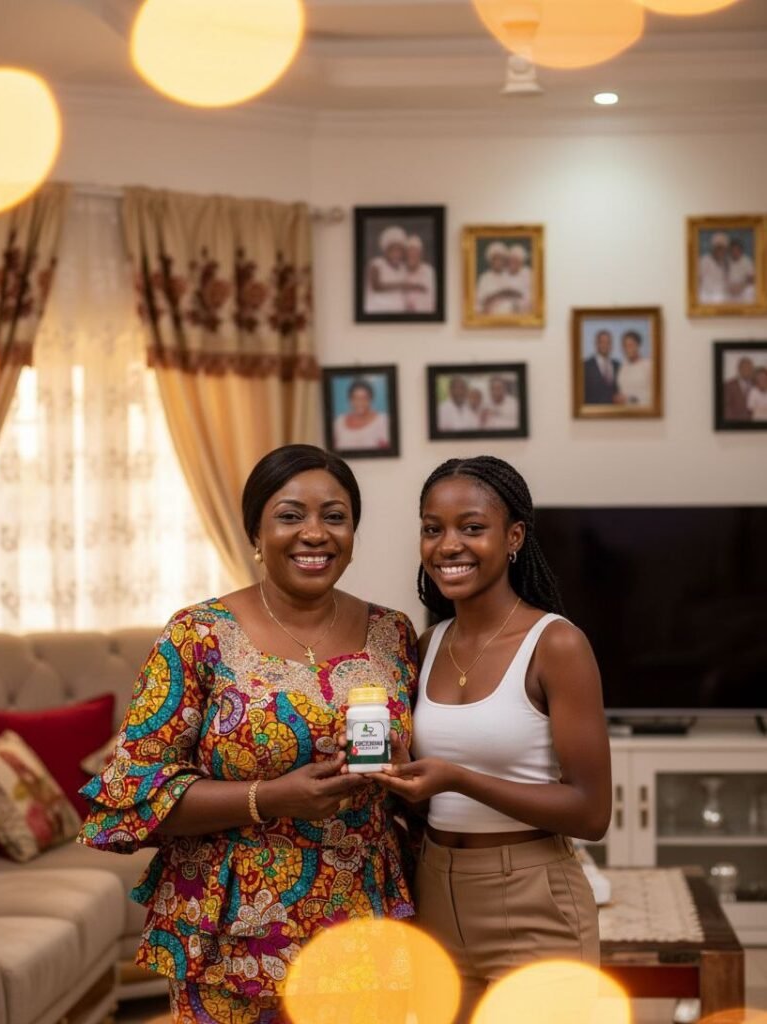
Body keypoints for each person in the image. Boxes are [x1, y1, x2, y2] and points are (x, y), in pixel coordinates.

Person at [78, 444, 418, 1024]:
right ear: (255, 533)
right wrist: (273, 797)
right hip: (230, 933)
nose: (315, 533)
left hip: (361, 920)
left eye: (335, 516)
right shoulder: (198, 635)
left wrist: (399, 767)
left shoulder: (393, 633)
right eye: (291, 515)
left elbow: (415, 777)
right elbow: (133, 792)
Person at [374, 456, 611, 1024]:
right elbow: (432, 799)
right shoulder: (427, 645)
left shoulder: (555, 644)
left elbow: (591, 813)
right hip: (436, 891)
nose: (448, 545)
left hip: (533, 897)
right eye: (433, 528)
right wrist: (402, 776)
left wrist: (458, 777)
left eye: (472, 527)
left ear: (514, 537)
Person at [333, 378, 390, 450]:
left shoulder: (383, 421)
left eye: (364, 398)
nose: (360, 402)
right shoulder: (339, 422)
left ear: (371, 399)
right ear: (350, 400)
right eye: (355, 398)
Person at [364, 225, 407, 314]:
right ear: (386, 250)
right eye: (393, 250)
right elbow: (376, 286)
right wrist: (402, 285)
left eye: (399, 250)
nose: (396, 253)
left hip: (398, 310)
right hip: (377, 309)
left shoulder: (403, 267)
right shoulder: (376, 264)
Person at [615, 330, 652, 407]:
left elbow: (655, 396)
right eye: (625, 346)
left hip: (643, 411)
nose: (627, 349)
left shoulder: (648, 365)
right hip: (624, 411)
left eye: (630, 345)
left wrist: (630, 399)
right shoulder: (622, 367)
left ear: (638, 345)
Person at [583, 329, 619, 404]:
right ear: (596, 344)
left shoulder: (617, 365)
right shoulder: (585, 366)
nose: (605, 345)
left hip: (614, 409)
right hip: (593, 409)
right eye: (602, 342)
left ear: (611, 345)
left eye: (608, 342)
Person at [403, 234, 436, 314]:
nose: (412, 254)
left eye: (415, 252)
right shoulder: (401, 272)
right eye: (409, 252)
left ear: (421, 254)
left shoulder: (429, 272)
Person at [475, 241, 509, 315]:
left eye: (501, 259)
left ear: (504, 261)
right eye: (495, 259)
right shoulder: (484, 278)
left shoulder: (509, 275)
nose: (498, 262)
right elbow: (479, 302)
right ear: (490, 261)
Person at [698, 232, 730, 305]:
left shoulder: (726, 263)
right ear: (713, 248)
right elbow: (697, 281)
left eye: (723, 248)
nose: (721, 251)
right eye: (718, 248)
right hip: (706, 298)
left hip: (723, 298)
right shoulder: (704, 261)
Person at [724, 356, 755, 421]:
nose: (747, 370)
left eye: (750, 368)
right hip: (735, 423)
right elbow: (726, 407)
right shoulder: (729, 385)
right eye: (745, 367)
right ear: (739, 369)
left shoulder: (756, 384)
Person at [727, 237, 756, 304]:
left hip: (743, 287)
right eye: (733, 250)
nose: (735, 252)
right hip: (729, 288)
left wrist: (741, 286)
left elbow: (751, 278)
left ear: (741, 250)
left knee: (751, 289)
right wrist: (730, 287)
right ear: (730, 251)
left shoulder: (747, 261)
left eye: (737, 250)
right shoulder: (726, 260)